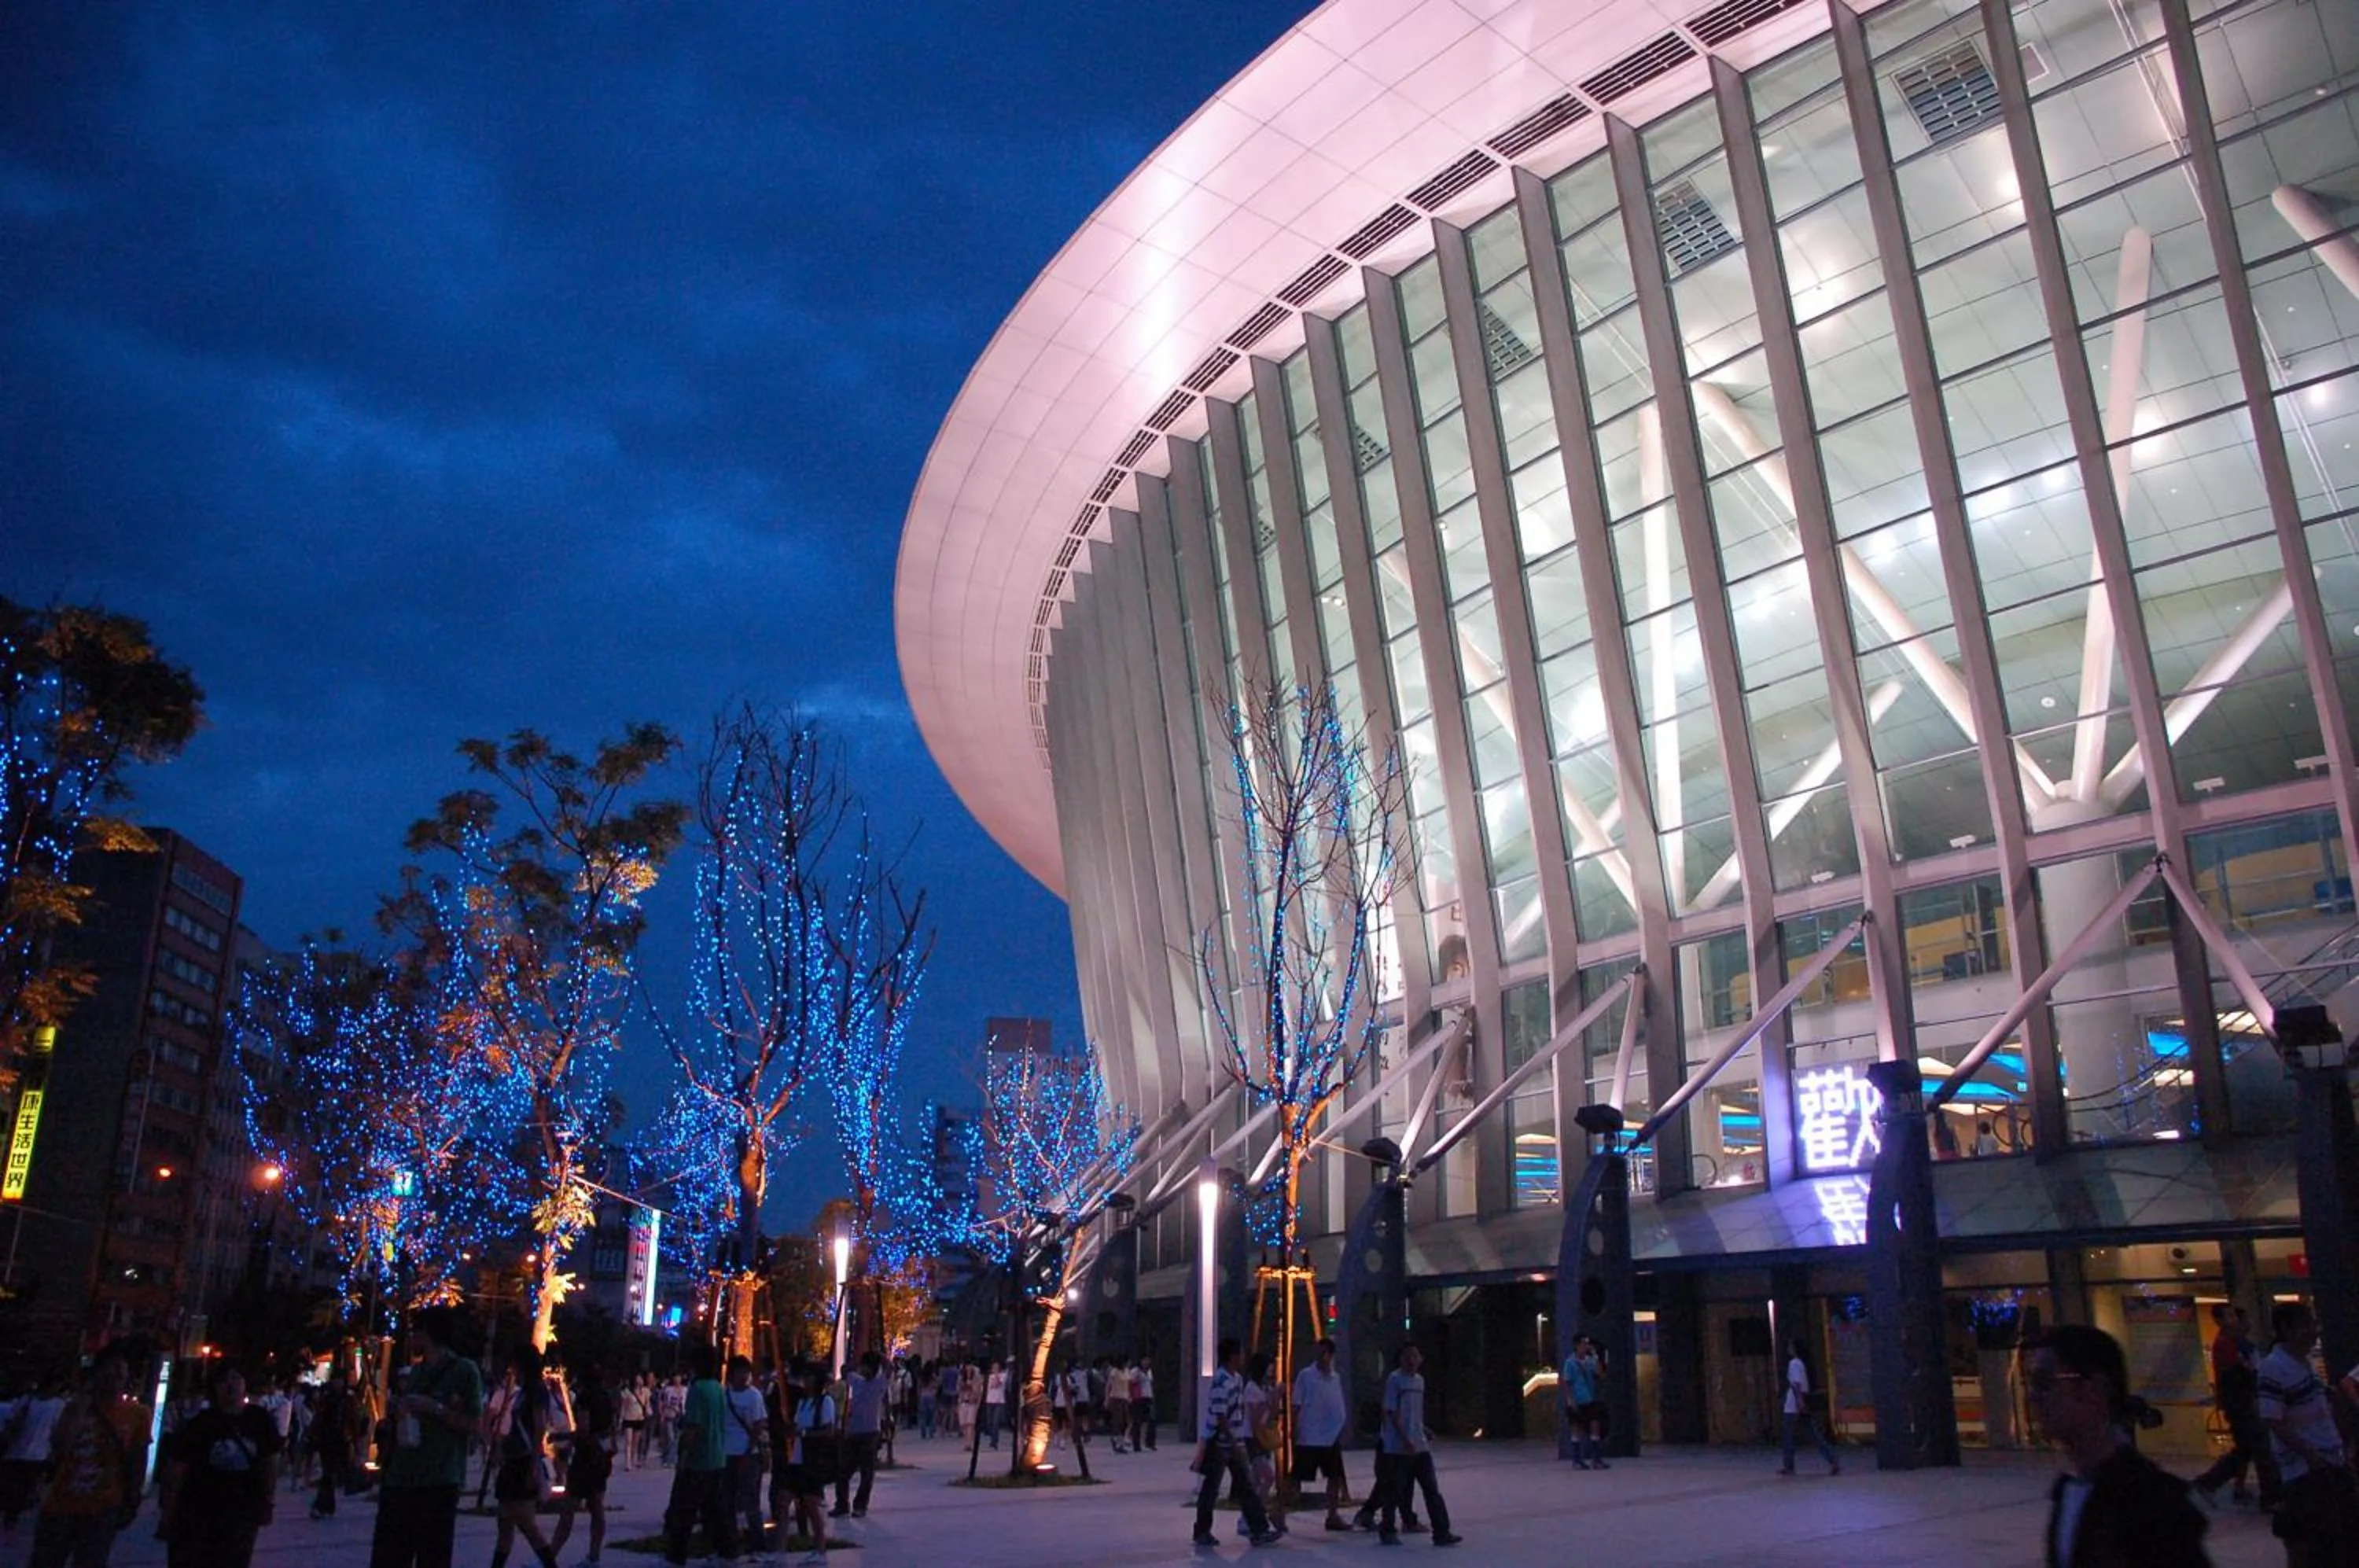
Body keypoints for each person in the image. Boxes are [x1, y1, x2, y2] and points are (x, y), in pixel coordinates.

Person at [2022, 1323, 2209, 1566]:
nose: (2033, 1396)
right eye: (2031, 1383)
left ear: (2095, 1389)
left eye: (2045, 1382)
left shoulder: (2151, 1504)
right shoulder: (2069, 1493)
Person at [28, 1349, 151, 1568]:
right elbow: (60, 1446)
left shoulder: (138, 1414)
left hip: (104, 1507)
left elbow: (137, 1459)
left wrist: (132, 1499)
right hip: (61, 1502)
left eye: (120, 1372)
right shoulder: (73, 1407)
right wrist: (83, 1402)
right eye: (109, 1371)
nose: (114, 1377)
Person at [2257, 1301, 2357, 1568]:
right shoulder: (2274, 1367)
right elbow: (2273, 1420)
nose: (2313, 1331)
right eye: (2306, 1325)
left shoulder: (2306, 1363)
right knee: (2319, 1543)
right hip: (2305, 1472)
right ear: (2285, 1329)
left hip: (2329, 1462)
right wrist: (2310, 1455)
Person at [155, 1366, 279, 1568]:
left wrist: (268, 1501)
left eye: (236, 1378)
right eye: (224, 1381)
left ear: (245, 1385)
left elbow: (270, 1462)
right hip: (199, 1512)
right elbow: (178, 1470)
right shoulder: (199, 1425)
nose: (230, 1385)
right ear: (215, 1388)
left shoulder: (259, 1420)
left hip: (243, 1510)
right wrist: (169, 1511)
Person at [1191, 1338, 1279, 1549]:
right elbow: (1220, 1415)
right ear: (1232, 1356)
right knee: (1211, 1488)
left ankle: (1259, 1529)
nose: (1242, 1357)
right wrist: (1231, 1438)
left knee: (1246, 1485)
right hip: (1221, 1442)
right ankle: (1202, 1531)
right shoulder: (1222, 1381)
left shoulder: (1237, 1379)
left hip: (1234, 1440)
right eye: (1240, 1353)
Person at [1371, 1344, 1459, 1547]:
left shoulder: (1420, 1382)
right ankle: (1388, 1530)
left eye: (1415, 1356)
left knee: (1431, 1489)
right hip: (1398, 1448)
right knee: (1394, 1490)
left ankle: (1442, 1532)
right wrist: (1404, 1439)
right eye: (1407, 1356)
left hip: (1419, 1445)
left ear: (1421, 1359)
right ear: (1400, 1360)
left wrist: (1423, 1430)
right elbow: (1391, 1413)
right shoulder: (1395, 1380)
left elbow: (1414, 1413)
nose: (1411, 1360)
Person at [2191, 1304, 2275, 1509]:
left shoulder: (2237, 1343)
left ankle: (2211, 1482)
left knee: (2248, 1449)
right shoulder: (2225, 1344)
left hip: (2242, 1402)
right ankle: (2269, 1496)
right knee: (2259, 1448)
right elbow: (2240, 1372)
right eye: (2229, 1316)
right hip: (2240, 1404)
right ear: (2220, 1320)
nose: (2234, 1319)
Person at [660, 1346, 735, 1568]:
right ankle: (726, 1552)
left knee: (684, 1513)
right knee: (715, 1511)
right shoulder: (718, 1389)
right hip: (717, 1457)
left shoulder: (697, 1389)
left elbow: (693, 1427)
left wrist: (682, 1458)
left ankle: (676, 1557)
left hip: (698, 1461)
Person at [489, 1345, 558, 1568]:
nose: (512, 1370)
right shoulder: (525, 1391)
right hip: (514, 1458)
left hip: (523, 1460)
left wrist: (533, 1466)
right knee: (506, 1522)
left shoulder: (536, 1390)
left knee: (525, 1522)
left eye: (514, 1365)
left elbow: (539, 1427)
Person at [549, 1360, 614, 1568]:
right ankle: (594, 1556)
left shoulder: (585, 1398)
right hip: (602, 1457)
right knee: (597, 1508)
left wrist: (564, 1438)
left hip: (585, 1458)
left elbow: (584, 1429)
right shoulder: (606, 1397)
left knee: (568, 1509)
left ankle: (549, 1558)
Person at [1291, 1338, 1351, 1532]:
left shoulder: (1336, 1378)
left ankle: (1332, 1515)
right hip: (1310, 1436)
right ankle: (1278, 1512)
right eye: (1318, 1352)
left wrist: (1339, 1426)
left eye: (1324, 1353)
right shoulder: (1306, 1376)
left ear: (1331, 1355)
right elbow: (1297, 1404)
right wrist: (1294, 1428)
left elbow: (1337, 1404)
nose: (1321, 1357)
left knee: (1335, 1476)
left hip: (1330, 1437)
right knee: (1297, 1477)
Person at [785, 1367, 836, 1565]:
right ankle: (808, 1545)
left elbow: (828, 1431)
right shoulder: (803, 1403)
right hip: (798, 1457)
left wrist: (804, 1434)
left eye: (810, 1377)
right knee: (793, 1501)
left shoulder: (826, 1402)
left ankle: (820, 1549)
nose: (806, 1381)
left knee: (812, 1505)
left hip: (814, 1459)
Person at [3, 1378, 67, 1532]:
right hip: (39, 1453)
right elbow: (57, 1430)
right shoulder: (58, 1405)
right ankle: (16, 1512)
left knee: (13, 1484)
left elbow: (11, 1421)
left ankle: (11, 1514)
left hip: (16, 1449)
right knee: (26, 1485)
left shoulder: (27, 1400)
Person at [717, 1356, 767, 1551]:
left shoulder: (754, 1396)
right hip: (727, 1453)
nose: (744, 1376)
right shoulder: (725, 1394)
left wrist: (749, 1449)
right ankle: (729, 1545)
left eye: (747, 1372)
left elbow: (758, 1425)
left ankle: (759, 1545)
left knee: (750, 1502)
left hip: (748, 1455)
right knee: (727, 1501)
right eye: (740, 1371)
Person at [834, 1352, 885, 1519]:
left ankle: (860, 1505)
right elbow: (845, 1370)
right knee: (843, 1472)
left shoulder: (880, 1383)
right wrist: (857, 1361)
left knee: (867, 1473)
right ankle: (842, 1504)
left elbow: (889, 1367)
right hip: (853, 1432)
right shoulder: (856, 1380)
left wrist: (880, 1357)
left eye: (866, 1367)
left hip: (870, 1433)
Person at [1779, 1338, 1840, 1478]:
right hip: (1801, 1402)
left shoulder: (1794, 1363)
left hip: (1792, 1406)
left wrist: (1799, 1401)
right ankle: (1832, 1458)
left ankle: (1789, 1466)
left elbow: (1796, 1384)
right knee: (1813, 1434)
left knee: (1788, 1436)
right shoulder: (1802, 1363)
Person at [306, 1374, 355, 1520]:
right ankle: (323, 1505)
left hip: (340, 1440)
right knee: (329, 1473)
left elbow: (352, 1418)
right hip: (327, 1440)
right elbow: (320, 1417)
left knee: (330, 1474)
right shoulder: (328, 1398)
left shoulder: (346, 1400)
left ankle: (325, 1505)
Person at [1560, 1336, 1609, 1471]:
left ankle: (1596, 1459)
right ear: (1576, 1345)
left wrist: (1595, 1356)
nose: (1586, 1346)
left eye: (1587, 1344)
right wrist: (1570, 1400)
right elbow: (1566, 1383)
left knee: (1595, 1425)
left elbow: (1601, 1375)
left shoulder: (1590, 1361)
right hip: (1577, 1399)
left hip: (1590, 1398)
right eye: (1583, 1343)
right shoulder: (1570, 1362)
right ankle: (1577, 1460)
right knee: (1576, 1429)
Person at [1102, 1360, 1131, 1455]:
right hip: (1115, 1398)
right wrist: (1106, 1399)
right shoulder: (1114, 1372)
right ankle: (1119, 1443)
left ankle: (1119, 1440)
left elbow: (1128, 1385)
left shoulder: (1127, 1371)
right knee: (1118, 1421)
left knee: (1126, 1421)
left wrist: (1129, 1396)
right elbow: (1108, 1386)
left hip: (1125, 1398)